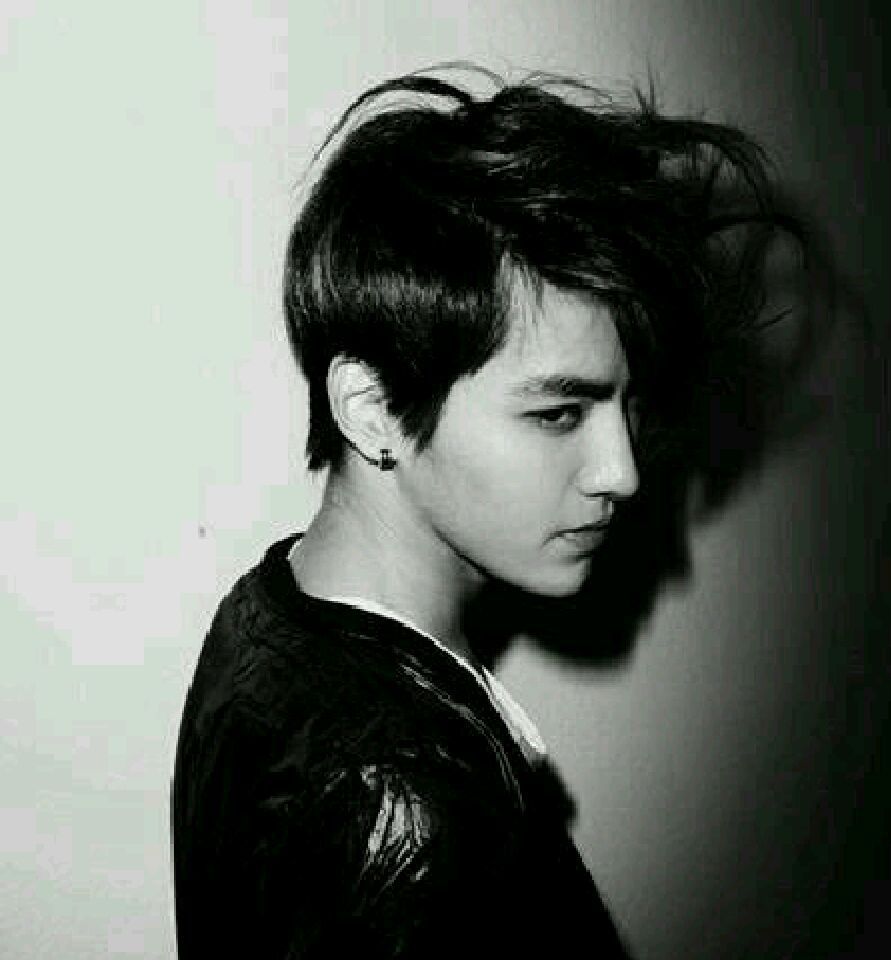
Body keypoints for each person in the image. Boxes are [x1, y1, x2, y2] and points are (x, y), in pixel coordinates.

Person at [172, 66, 793, 958]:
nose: (622, 473)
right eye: (559, 414)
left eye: (627, 406)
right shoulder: (407, 825)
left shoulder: (271, 608)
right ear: (372, 409)